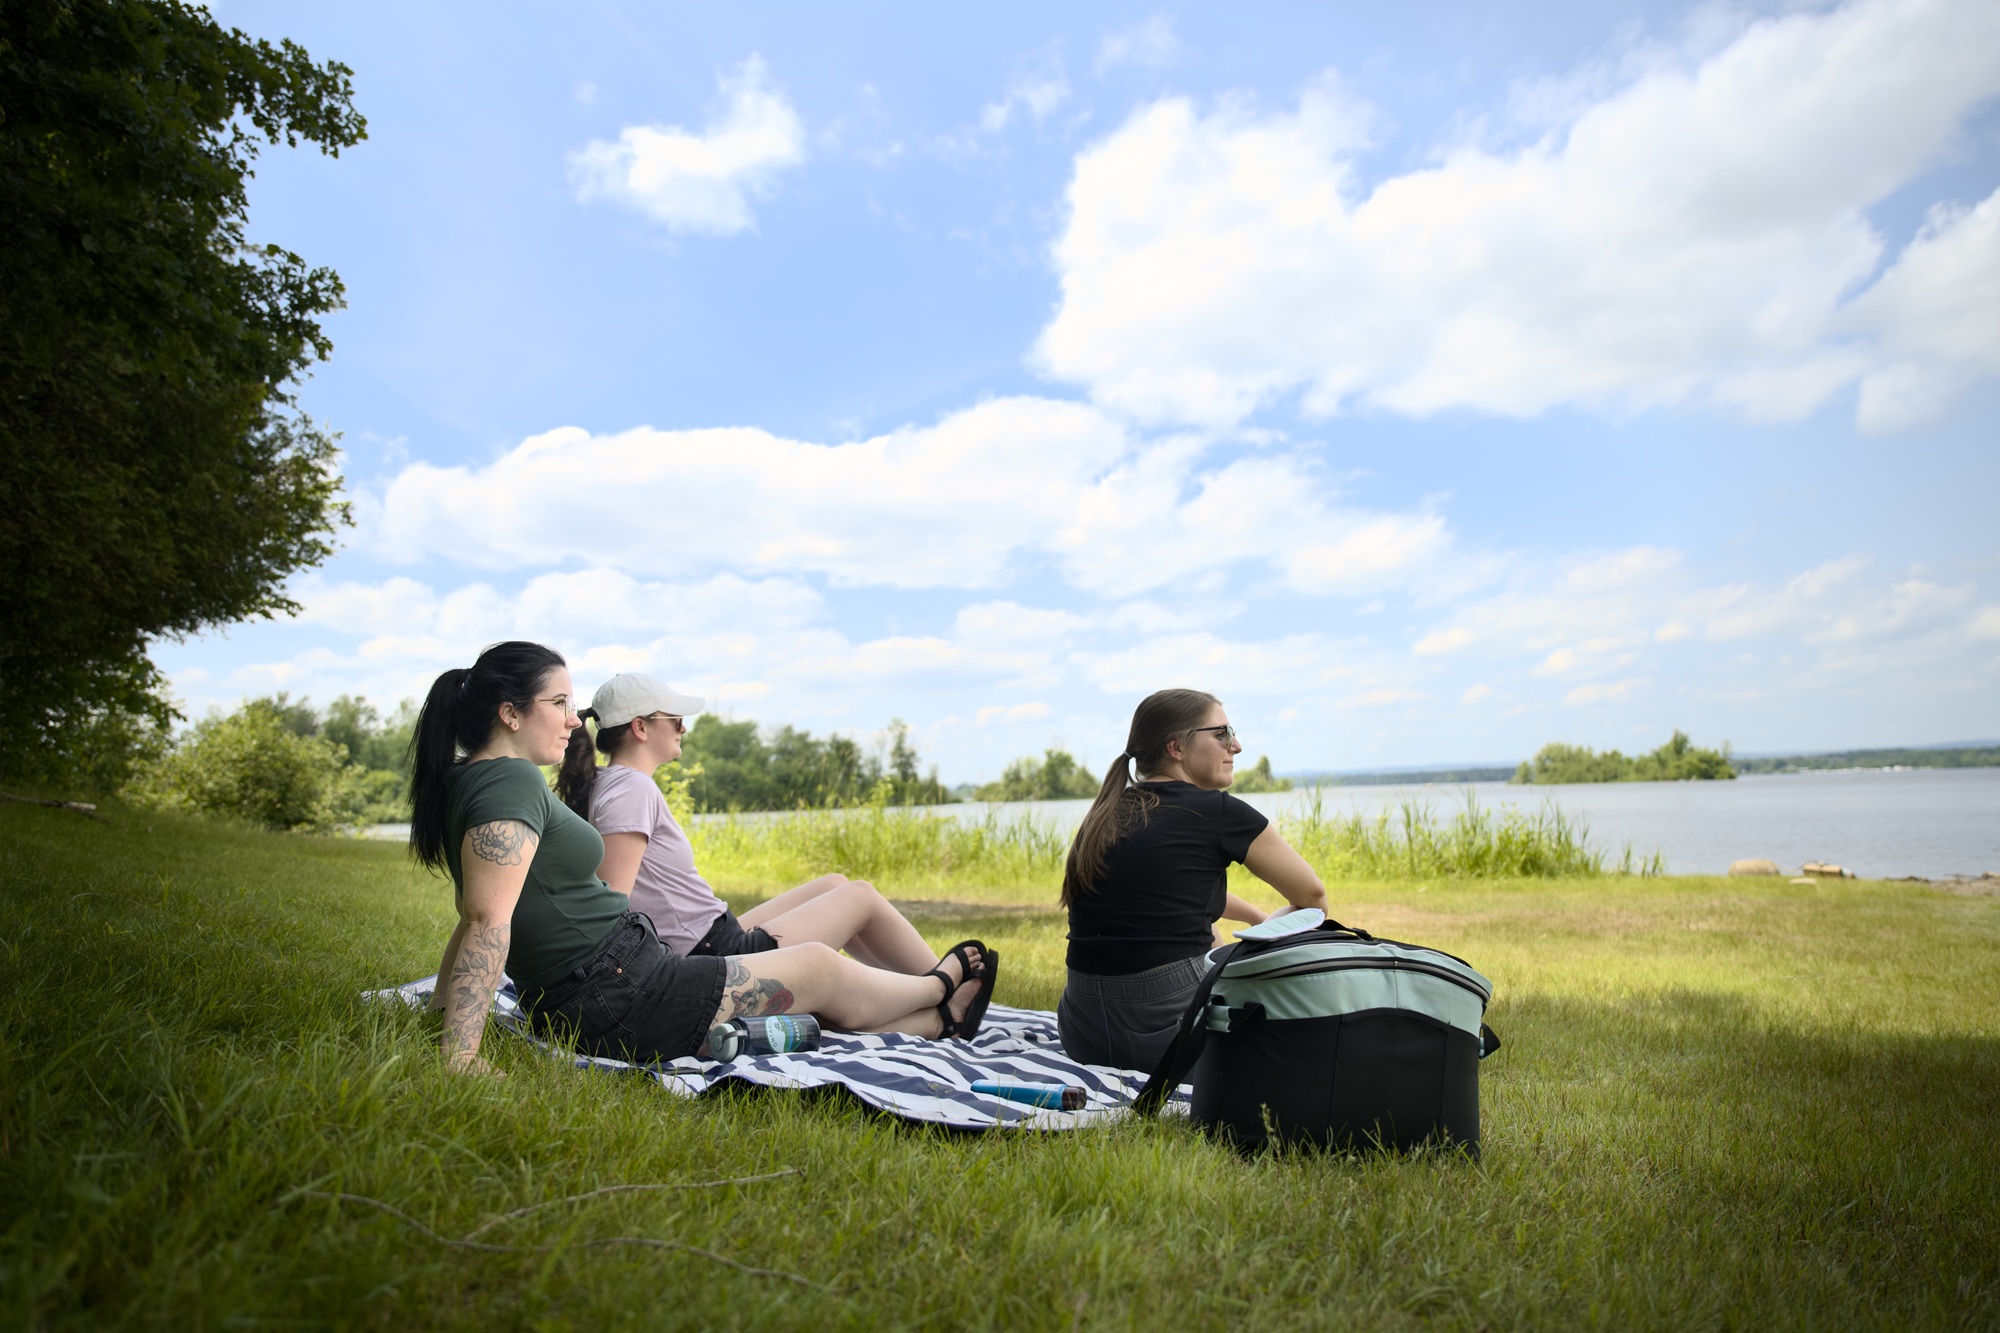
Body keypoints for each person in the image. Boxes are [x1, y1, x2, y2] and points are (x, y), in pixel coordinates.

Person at [410, 641, 992, 1076]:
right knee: (817, 967)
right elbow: (488, 919)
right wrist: (460, 1052)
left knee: (814, 982)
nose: (572, 718)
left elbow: (474, 913)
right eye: (558, 702)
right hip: (618, 992)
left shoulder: (478, 780)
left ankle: (940, 1019)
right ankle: (937, 988)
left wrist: (442, 1009)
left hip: (618, 979)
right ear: (510, 714)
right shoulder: (508, 782)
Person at [553, 673, 957, 979]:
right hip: (712, 955)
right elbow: (612, 904)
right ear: (640, 728)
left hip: (714, 931)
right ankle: (944, 989)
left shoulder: (608, 783)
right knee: (862, 897)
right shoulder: (631, 790)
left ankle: (915, 990)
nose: (684, 727)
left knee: (835, 884)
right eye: (675, 718)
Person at [1056, 688, 1329, 1073]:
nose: (1236, 745)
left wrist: (1254, 916)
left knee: (1205, 934)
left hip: (1082, 1032)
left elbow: (1165, 896)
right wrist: (1267, 933)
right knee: (1308, 919)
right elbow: (1313, 897)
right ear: (1177, 748)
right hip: (1165, 1040)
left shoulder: (1106, 812)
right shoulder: (1217, 812)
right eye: (1221, 733)